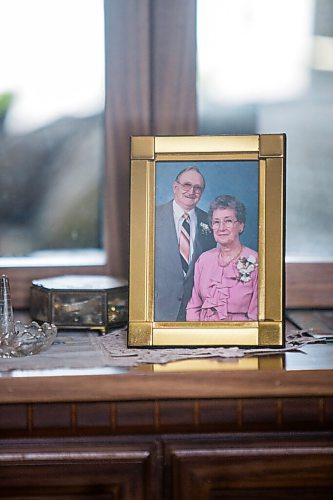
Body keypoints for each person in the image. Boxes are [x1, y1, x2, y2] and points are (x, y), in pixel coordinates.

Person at [154, 166, 216, 321]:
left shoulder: (209, 222)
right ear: (176, 187)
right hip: (158, 310)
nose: (192, 191)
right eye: (187, 185)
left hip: (194, 312)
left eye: (197, 188)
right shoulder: (152, 217)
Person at [186, 194, 258, 322]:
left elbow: (256, 316)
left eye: (228, 221)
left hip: (240, 337)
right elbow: (193, 307)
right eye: (216, 222)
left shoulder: (257, 262)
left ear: (241, 225)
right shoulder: (204, 260)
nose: (221, 228)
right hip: (203, 336)